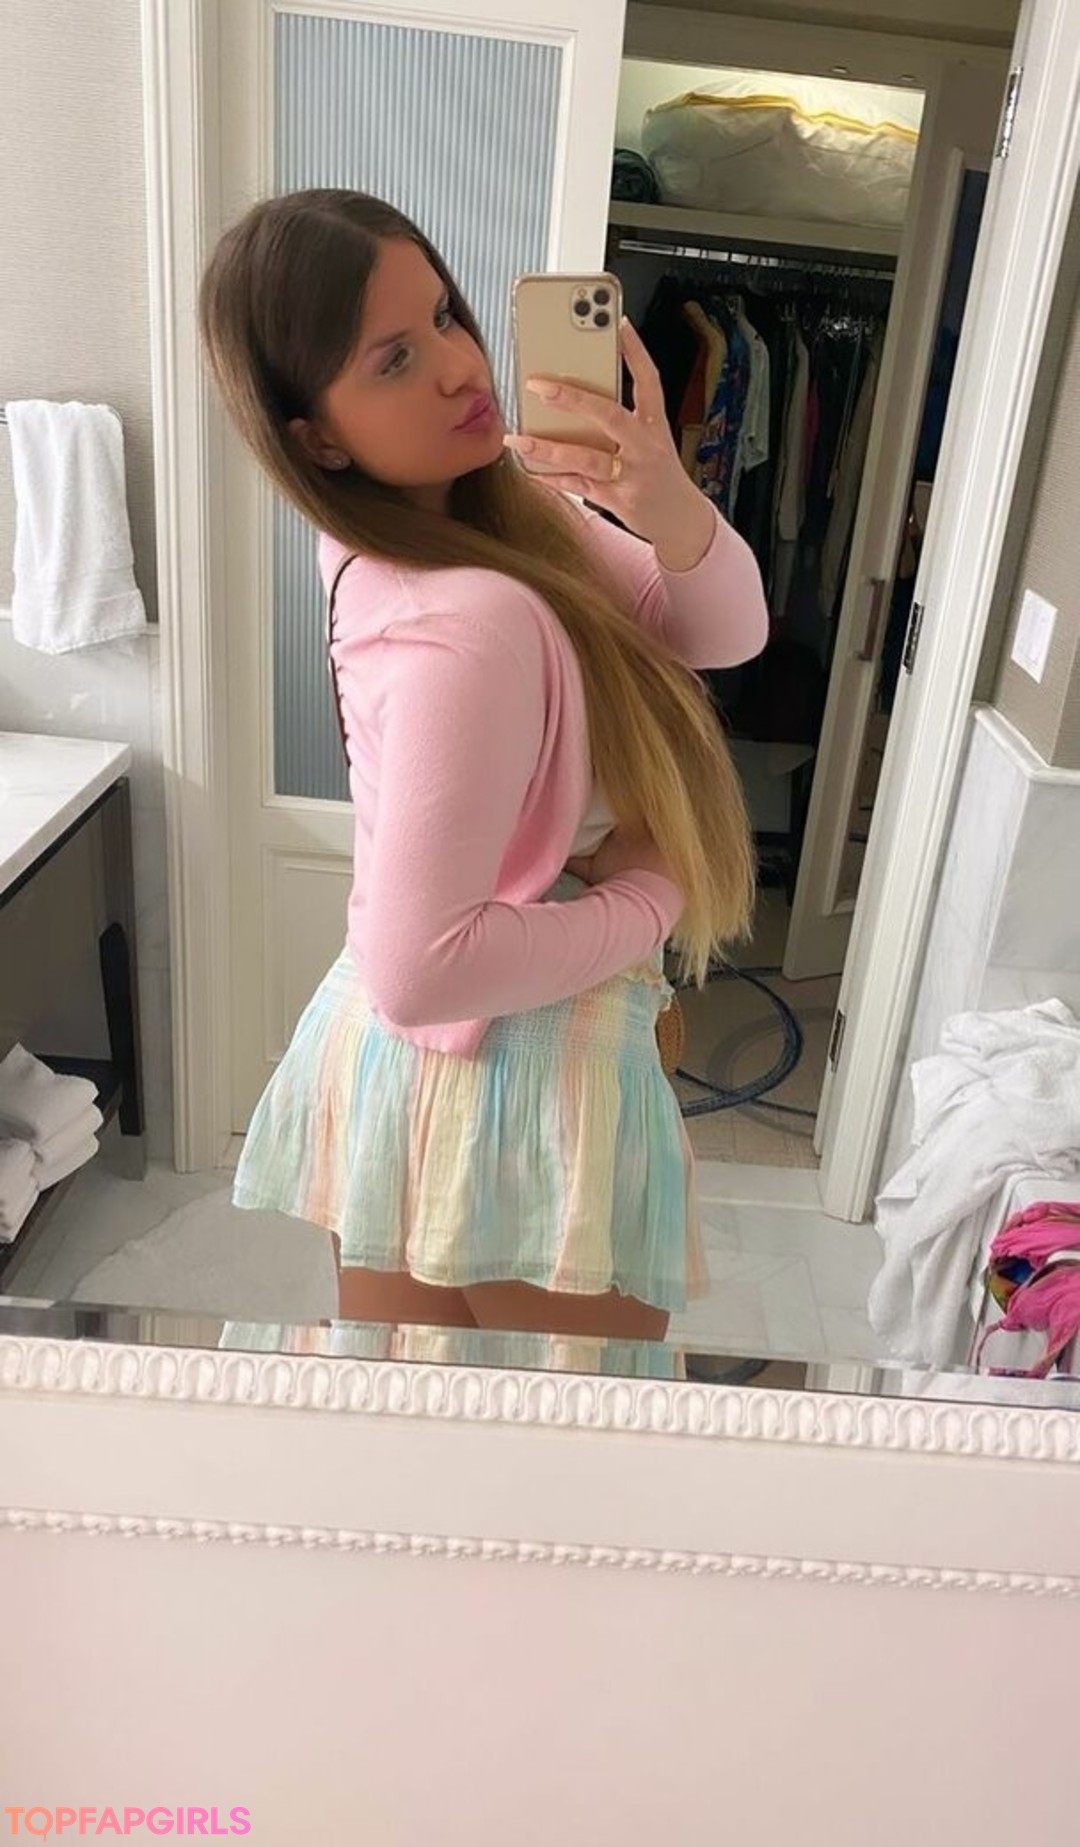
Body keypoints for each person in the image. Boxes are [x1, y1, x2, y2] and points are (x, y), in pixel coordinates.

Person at [199, 188, 768, 1342]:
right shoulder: (466, 616)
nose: (461, 367)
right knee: (564, 1441)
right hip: (507, 1080)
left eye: (447, 317)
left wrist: (668, 507)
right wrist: (652, 891)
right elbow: (424, 966)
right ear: (316, 436)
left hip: (413, 1064)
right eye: (395, 359)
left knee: (415, 1412)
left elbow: (723, 629)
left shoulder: (483, 516)